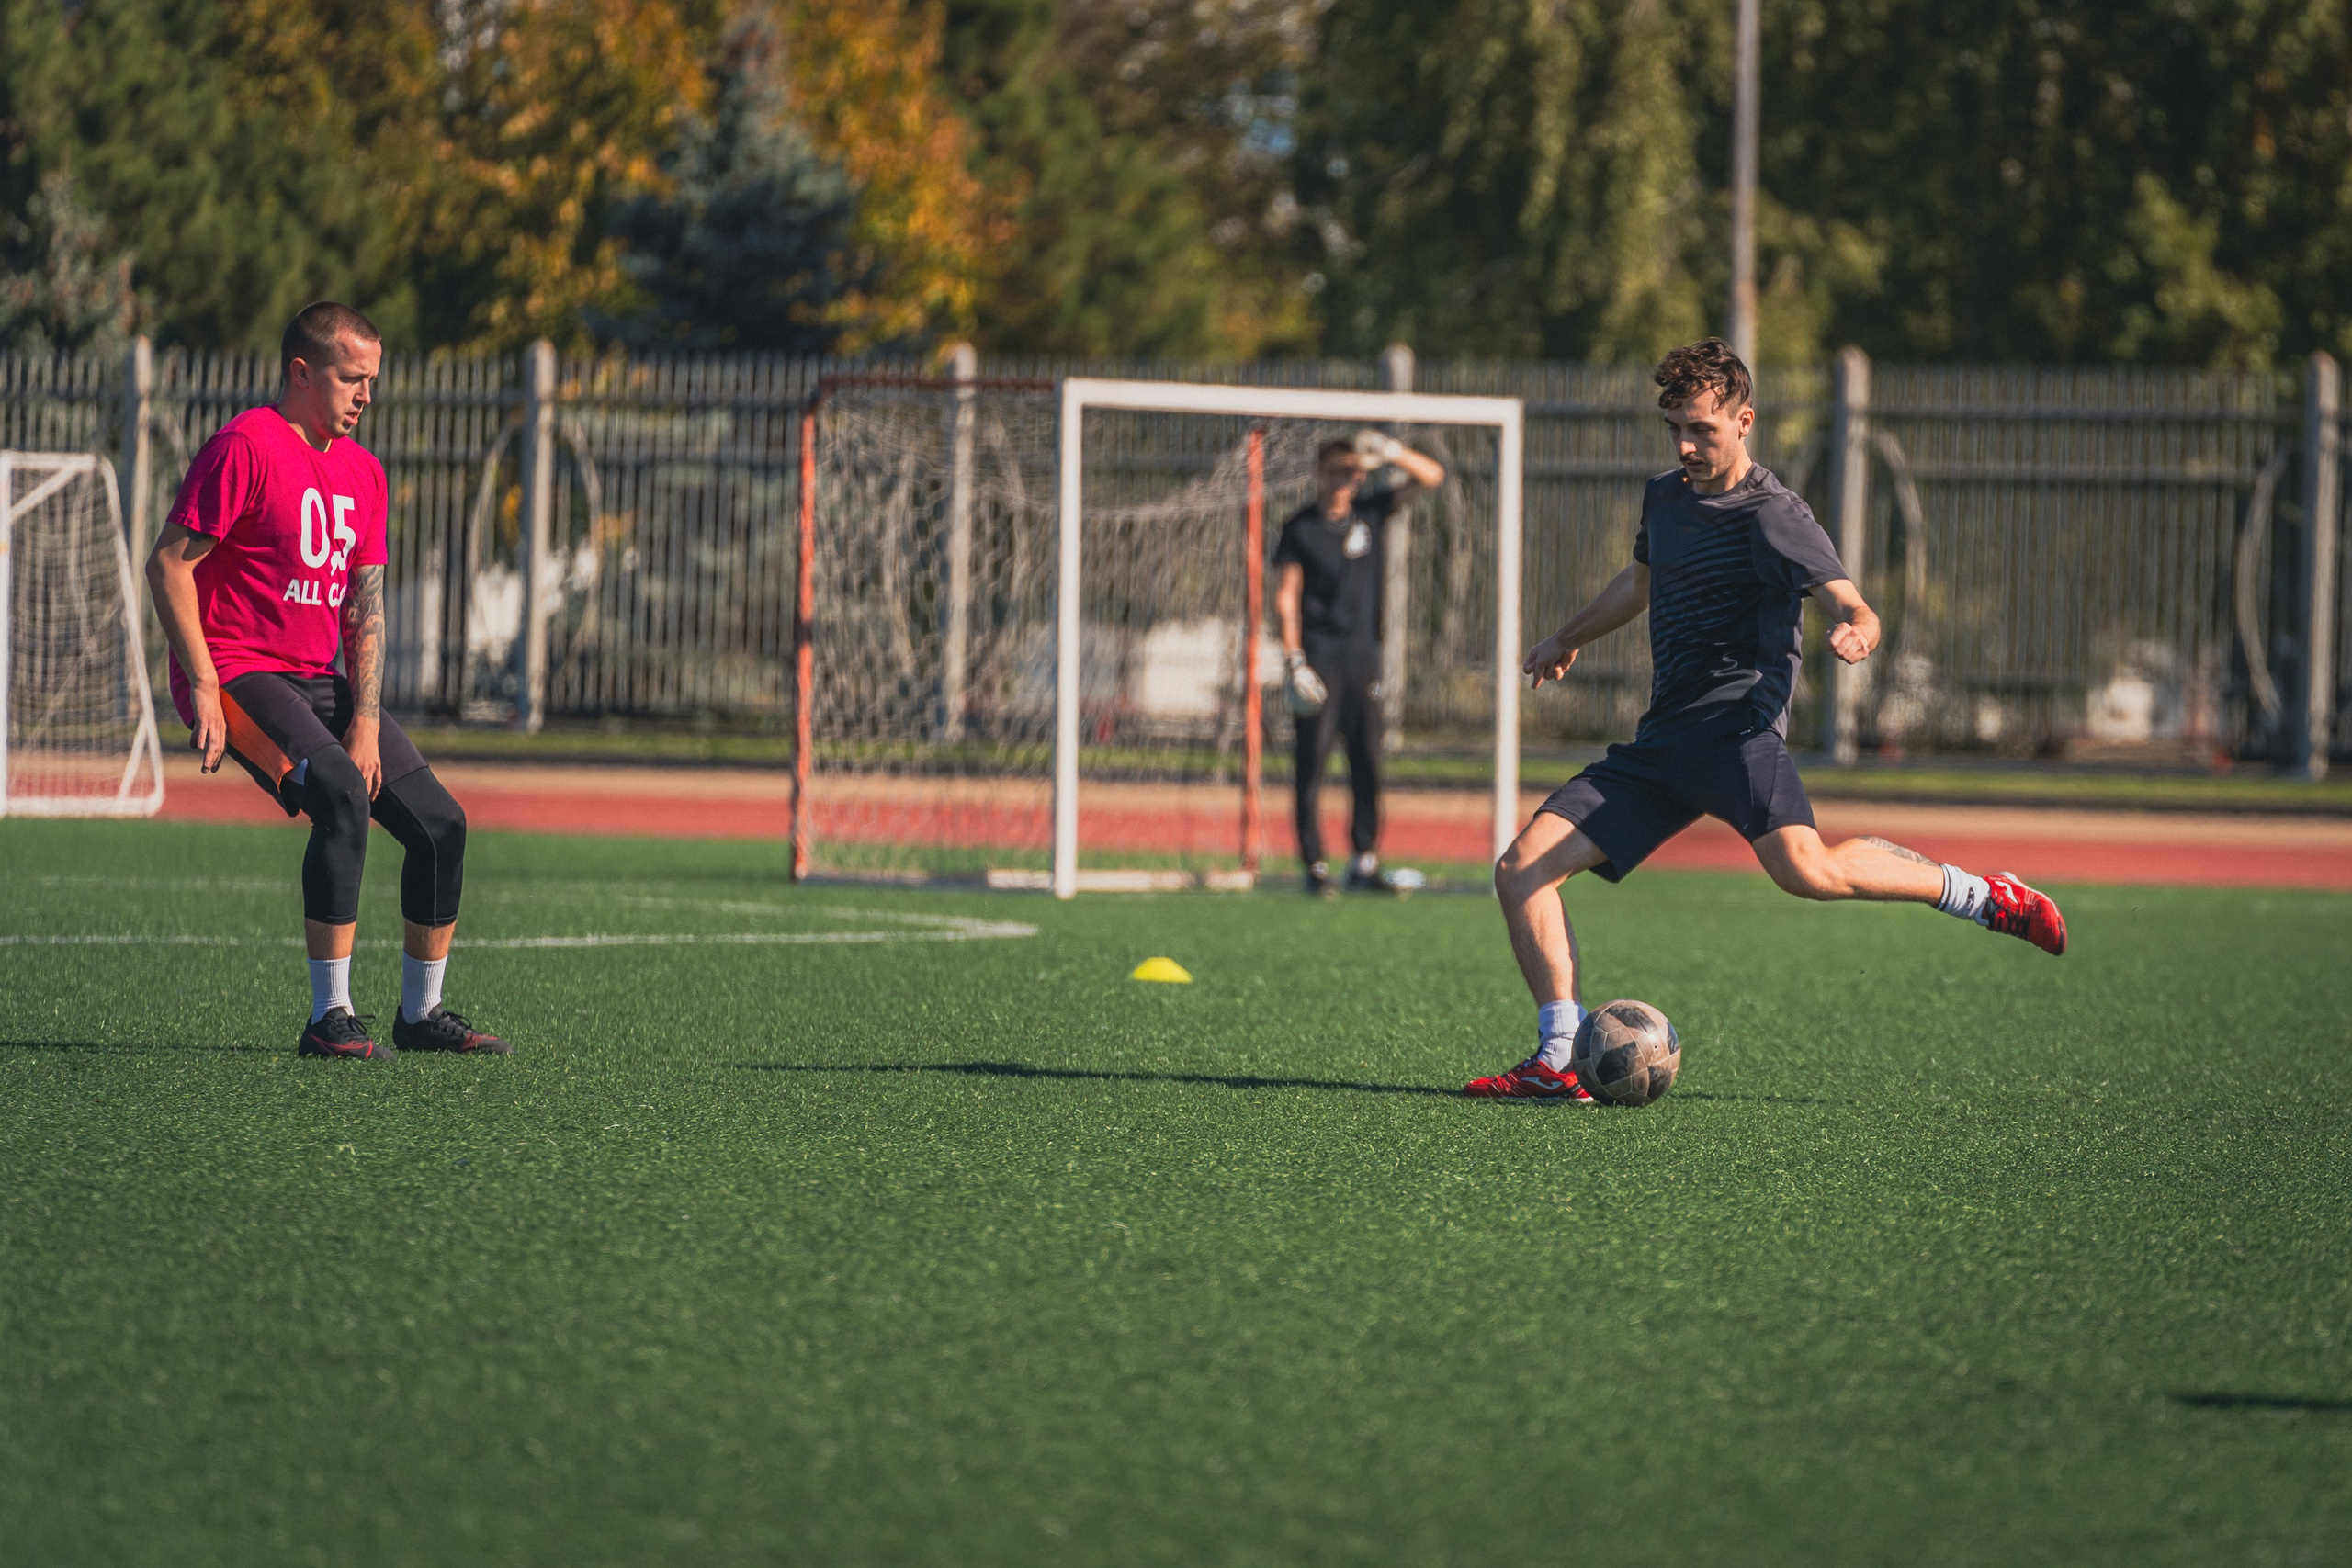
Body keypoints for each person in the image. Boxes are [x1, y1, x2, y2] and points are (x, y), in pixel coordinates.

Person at [1466, 338, 2064, 1101]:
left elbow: (1853, 601)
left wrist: (1859, 630)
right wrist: (1566, 638)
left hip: (1739, 738)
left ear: (1743, 421)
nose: (1685, 445)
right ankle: (1557, 1056)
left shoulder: (1775, 515)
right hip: (1662, 746)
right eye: (1676, 428)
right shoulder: (1665, 498)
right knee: (1521, 869)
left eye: (1702, 431)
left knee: (1806, 870)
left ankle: (1983, 896)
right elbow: (1639, 582)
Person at [145, 301, 506, 1063]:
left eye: (372, 379)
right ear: (302, 373)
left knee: (441, 824)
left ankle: (420, 1012)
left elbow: (363, 604)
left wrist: (366, 717)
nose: (366, 395)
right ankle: (329, 1015)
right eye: (351, 378)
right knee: (341, 793)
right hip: (242, 671)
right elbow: (169, 564)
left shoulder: (364, 472)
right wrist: (204, 686)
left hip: (319, 678)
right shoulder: (245, 445)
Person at [1272, 429, 1446, 895]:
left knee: (1367, 761)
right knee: (1312, 761)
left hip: (1363, 659)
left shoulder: (1371, 510)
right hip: (1318, 659)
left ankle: (1364, 861)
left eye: (1350, 472)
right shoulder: (1300, 527)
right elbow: (1286, 598)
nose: (1343, 481)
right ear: (1319, 475)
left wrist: (1391, 452)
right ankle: (1315, 866)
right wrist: (1293, 659)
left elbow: (1432, 476)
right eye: (1334, 472)